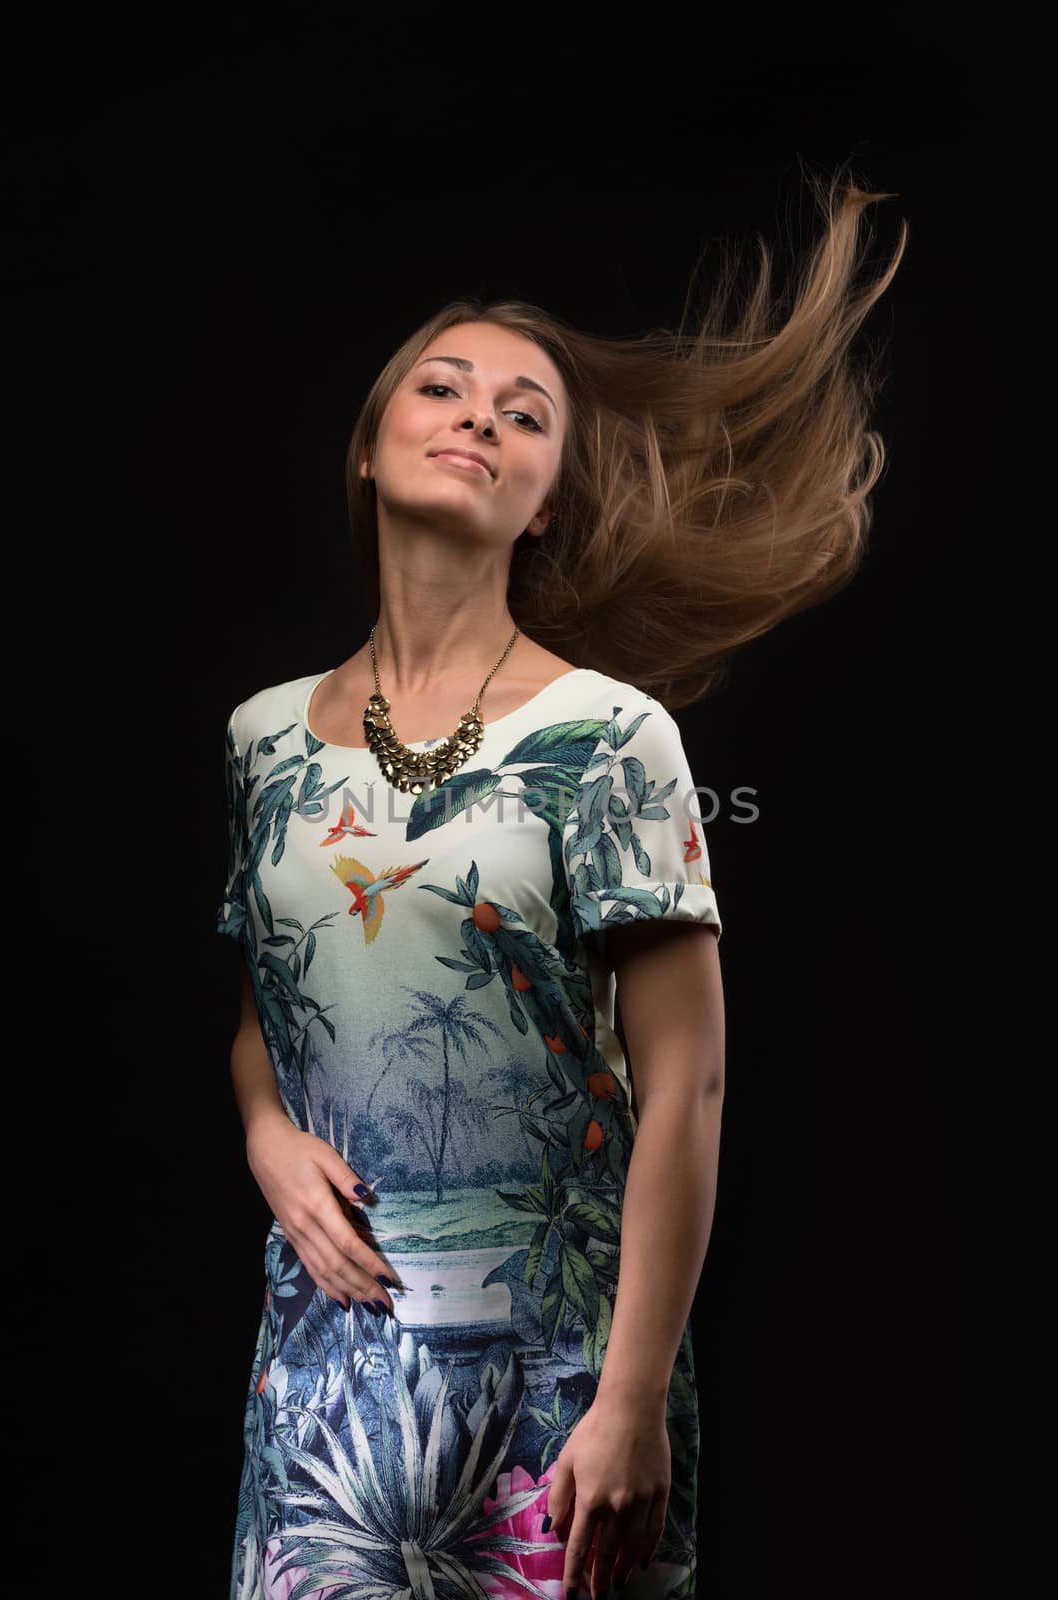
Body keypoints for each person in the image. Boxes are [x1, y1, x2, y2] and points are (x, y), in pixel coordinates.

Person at [216, 171, 907, 1598]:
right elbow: (267, 1007)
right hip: (325, 1371)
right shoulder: (265, 736)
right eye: (443, 389)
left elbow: (690, 1084)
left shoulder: (609, 736)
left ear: (542, 504)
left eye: (522, 415)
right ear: (369, 448)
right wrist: (264, 1134)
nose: (478, 416)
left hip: (559, 1373)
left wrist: (635, 1397)